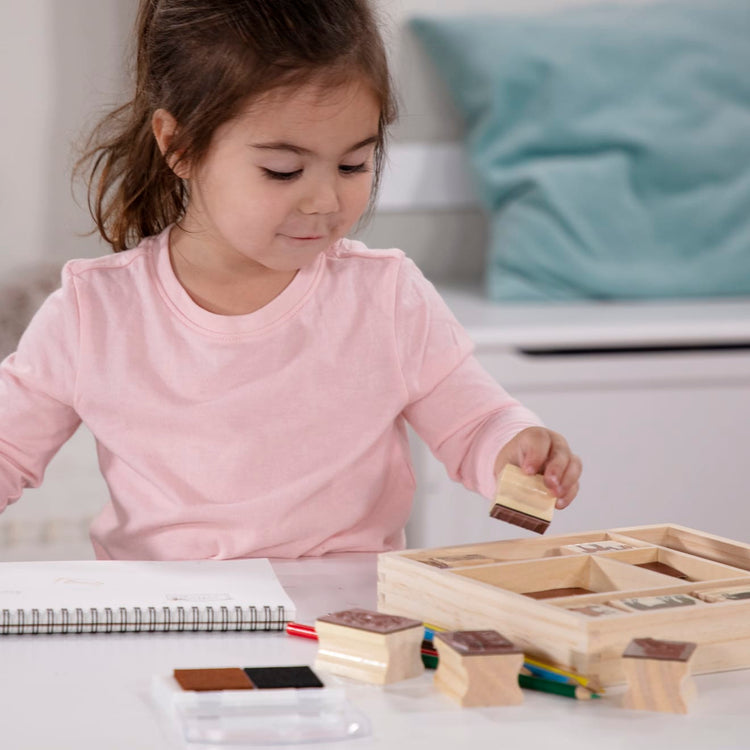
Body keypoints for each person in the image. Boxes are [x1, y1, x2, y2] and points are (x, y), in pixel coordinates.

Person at [0, 0, 581, 561]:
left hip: (345, 619)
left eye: (354, 165)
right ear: (177, 145)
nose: (326, 200)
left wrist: (517, 449)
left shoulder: (386, 296)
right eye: (284, 170)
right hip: (165, 616)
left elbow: (475, 422)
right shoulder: (93, 310)